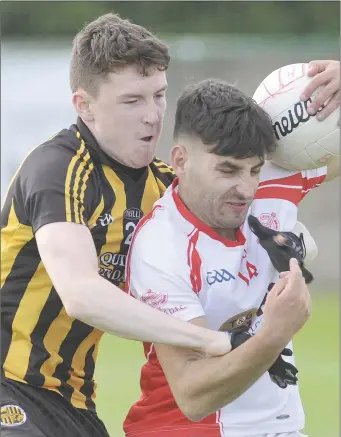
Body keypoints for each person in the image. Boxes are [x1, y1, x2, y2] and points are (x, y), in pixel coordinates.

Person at [0, 9, 338, 436]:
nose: (151, 115)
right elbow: (81, 294)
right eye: (132, 101)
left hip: (73, 397)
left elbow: (298, 164)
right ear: (84, 105)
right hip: (8, 382)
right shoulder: (58, 168)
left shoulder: (164, 186)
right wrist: (215, 341)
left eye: (158, 95)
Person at [123, 78, 339, 437]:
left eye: (254, 170)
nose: (246, 188)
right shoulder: (160, 248)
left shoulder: (275, 182)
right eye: (227, 170)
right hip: (186, 430)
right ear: (181, 160)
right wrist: (274, 334)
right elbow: (192, 396)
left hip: (279, 429)